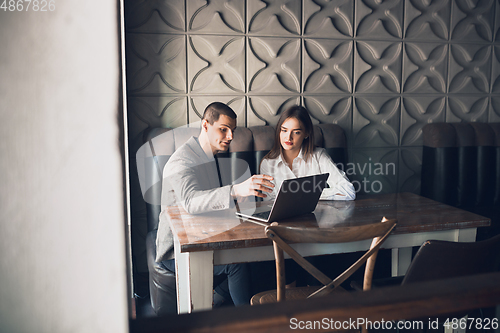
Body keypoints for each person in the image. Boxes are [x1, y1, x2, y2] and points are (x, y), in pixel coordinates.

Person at [155, 102, 275, 306]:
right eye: (223, 129)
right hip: (176, 250)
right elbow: (192, 202)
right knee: (237, 264)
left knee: (263, 255)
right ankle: (248, 324)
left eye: (233, 131)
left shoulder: (208, 156)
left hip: (204, 235)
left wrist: (238, 201)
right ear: (205, 125)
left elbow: (207, 202)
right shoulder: (181, 162)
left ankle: (221, 297)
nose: (230, 136)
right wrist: (236, 190)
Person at [260, 105, 355, 201]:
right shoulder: (268, 163)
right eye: (284, 130)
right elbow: (268, 202)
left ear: (306, 133)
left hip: (317, 214)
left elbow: (348, 191)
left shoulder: (319, 156)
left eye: (296, 132)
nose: (288, 137)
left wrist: (306, 194)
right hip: (283, 216)